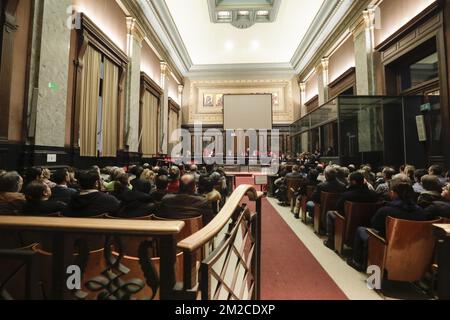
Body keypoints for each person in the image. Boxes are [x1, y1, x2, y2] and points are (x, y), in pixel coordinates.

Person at [348, 180, 430, 271]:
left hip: (388, 243)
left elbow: (374, 225)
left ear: (395, 194)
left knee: (361, 230)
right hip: (413, 246)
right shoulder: (421, 212)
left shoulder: (386, 210)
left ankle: (357, 262)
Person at [324, 172, 380, 250]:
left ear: (353, 182)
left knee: (330, 213)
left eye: (349, 180)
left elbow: (338, 207)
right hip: (368, 222)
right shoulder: (374, 195)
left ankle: (330, 241)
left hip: (348, 222)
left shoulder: (347, 195)